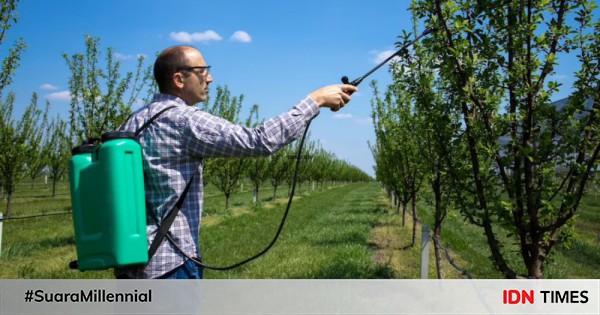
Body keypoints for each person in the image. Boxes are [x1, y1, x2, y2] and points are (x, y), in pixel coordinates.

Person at [116, 45, 357, 279]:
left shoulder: (133, 122)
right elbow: (258, 141)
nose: (209, 79)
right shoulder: (182, 120)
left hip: (135, 258)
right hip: (172, 264)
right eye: (203, 71)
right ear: (179, 79)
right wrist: (314, 101)